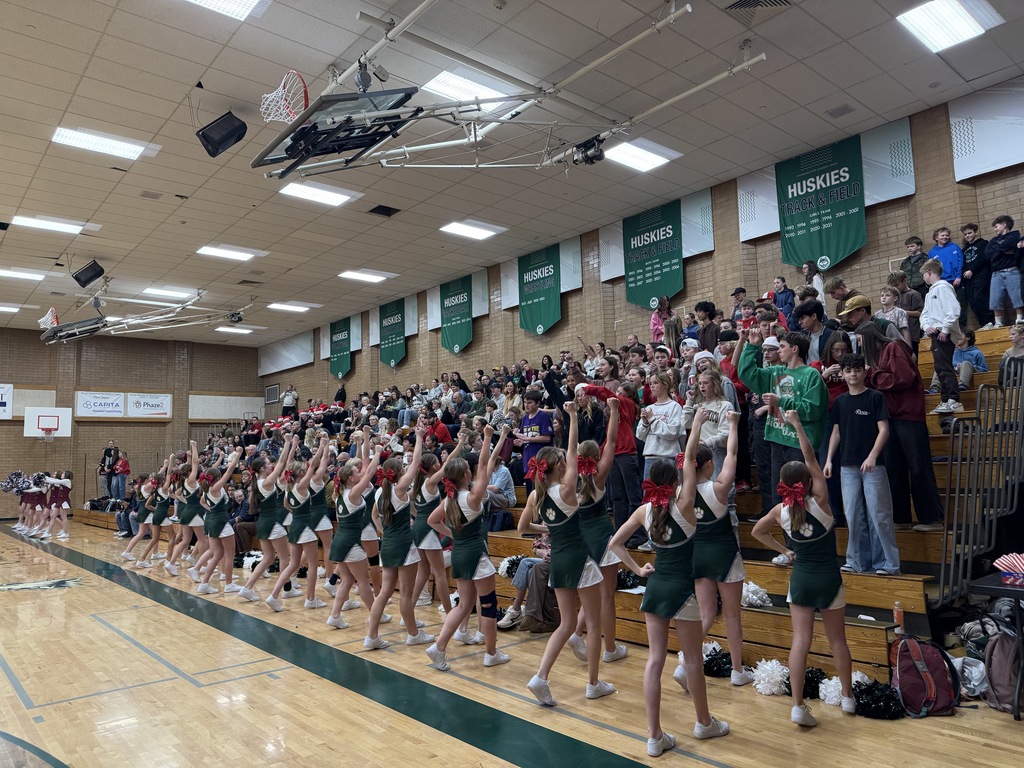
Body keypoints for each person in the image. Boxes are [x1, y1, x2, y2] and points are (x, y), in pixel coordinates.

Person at [609, 423, 731, 755]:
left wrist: (638, 568)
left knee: (654, 661)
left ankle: (654, 736)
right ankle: (705, 723)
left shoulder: (645, 511)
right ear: (676, 481)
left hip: (656, 589)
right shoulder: (686, 505)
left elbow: (615, 543)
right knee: (692, 660)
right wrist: (698, 426)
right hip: (681, 590)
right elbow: (690, 456)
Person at [752, 410, 856, 727]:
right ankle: (849, 698)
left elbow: (757, 531)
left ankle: (797, 706)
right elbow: (811, 457)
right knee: (838, 640)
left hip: (800, 581)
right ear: (808, 482)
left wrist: (785, 549)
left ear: (783, 485)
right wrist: (798, 425)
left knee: (800, 642)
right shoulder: (821, 500)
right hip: (829, 580)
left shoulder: (780, 511)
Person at [519, 406, 615, 706]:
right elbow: (573, 450)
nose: (566, 461)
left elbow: (523, 528)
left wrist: (546, 530)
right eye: (562, 461)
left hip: (558, 560)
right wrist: (573, 417)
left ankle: (541, 677)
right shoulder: (567, 489)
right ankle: (593, 683)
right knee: (594, 623)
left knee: (565, 624)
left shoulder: (537, 494)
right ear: (559, 466)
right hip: (580, 560)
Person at [424, 424, 512, 671]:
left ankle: (439, 647)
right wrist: (486, 438)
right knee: (488, 604)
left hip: (460, 553)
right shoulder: (471, 498)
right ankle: (491, 654)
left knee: (463, 605)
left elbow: (432, 521)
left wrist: (452, 533)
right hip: (475, 554)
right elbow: (483, 466)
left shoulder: (449, 499)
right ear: (465, 476)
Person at [856, 322, 944, 532]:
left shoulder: (894, 347)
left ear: (869, 337)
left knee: (918, 467)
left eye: (860, 341)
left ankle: (932, 519)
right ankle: (901, 518)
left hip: (908, 416)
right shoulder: (878, 356)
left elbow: (903, 378)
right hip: (890, 418)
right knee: (894, 469)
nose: (859, 346)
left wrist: (872, 374)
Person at [689, 409, 752, 685]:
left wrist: (696, 424)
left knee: (704, 616)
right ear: (708, 465)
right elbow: (733, 455)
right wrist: (732, 425)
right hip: (725, 556)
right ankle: (737, 671)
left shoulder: (682, 493)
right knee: (731, 615)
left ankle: (685, 665)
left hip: (698, 556)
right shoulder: (718, 488)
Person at [824, 354, 900, 576]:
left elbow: (884, 430)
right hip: (847, 466)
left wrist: (872, 456)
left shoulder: (875, 397)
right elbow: (836, 433)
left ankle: (888, 564)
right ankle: (857, 562)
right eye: (848, 371)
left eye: (856, 370)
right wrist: (829, 459)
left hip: (873, 467)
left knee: (879, 514)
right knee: (852, 514)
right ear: (843, 374)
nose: (852, 374)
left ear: (864, 372)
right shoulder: (840, 401)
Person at [737, 328, 829, 508]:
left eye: (782, 347)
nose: (778, 351)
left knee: (800, 494)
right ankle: (784, 532)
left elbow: (813, 409)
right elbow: (746, 375)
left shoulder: (811, 375)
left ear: (794, 349)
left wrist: (782, 401)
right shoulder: (775, 372)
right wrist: (751, 346)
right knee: (779, 493)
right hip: (777, 440)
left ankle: (802, 532)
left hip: (799, 444)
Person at [565, 398, 624, 665]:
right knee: (606, 597)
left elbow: (570, 445)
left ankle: (577, 632)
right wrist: (613, 411)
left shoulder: (569, 478)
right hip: (601, 538)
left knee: (590, 594)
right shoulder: (598, 476)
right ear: (596, 457)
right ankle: (610, 649)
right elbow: (611, 442)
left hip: (579, 541)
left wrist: (573, 417)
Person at [364, 426, 434, 650]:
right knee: (405, 593)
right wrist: (420, 438)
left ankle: (371, 636)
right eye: (402, 469)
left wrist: (382, 530)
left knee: (384, 592)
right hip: (403, 544)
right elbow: (416, 464)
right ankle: (413, 634)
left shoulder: (378, 491)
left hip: (388, 544)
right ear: (398, 473)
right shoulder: (399, 489)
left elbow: (374, 516)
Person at [323, 436, 383, 629]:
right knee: (363, 581)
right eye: (357, 472)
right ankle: (376, 615)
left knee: (347, 579)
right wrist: (379, 452)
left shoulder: (339, 495)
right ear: (351, 478)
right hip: (350, 543)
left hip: (340, 540)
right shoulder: (353, 493)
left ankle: (334, 616)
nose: (361, 474)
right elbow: (371, 472)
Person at [265, 437, 330, 609]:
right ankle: (310, 599)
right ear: (299, 473)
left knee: (293, 563)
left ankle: (274, 595)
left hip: (294, 526)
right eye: (303, 470)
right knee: (313, 564)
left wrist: (297, 513)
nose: (306, 471)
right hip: (305, 527)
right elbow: (315, 465)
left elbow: (287, 506)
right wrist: (323, 446)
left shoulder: (288, 490)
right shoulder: (301, 486)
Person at [195, 447, 245, 596]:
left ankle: (204, 584)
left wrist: (210, 509)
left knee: (217, 555)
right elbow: (229, 471)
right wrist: (238, 455)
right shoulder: (216, 487)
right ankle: (229, 584)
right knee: (229, 554)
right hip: (221, 523)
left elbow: (202, 501)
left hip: (211, 521)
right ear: (217, 478)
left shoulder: (206, 489)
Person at [920, 258, 964, 415]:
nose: (923, 278)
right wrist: (926, 326)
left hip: (943, 333)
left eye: (923, 274)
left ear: (929, 272)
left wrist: (945, 330)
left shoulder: (943, 287)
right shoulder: (930, 292)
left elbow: (953, 310)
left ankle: (954, 399)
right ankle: (945, 399)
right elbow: (924, 315)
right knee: (939, 367)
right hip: (935, 332)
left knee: (944, 367)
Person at [637, 371, 685, 480]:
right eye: (650, 384)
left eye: (655, 383)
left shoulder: (675, 407)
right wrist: (645, 422)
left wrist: (653, 420)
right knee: (650, 495)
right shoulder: (650, 408)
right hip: (650, 456)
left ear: (665, 384)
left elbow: (672, 433)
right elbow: (640, 436)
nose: (652, 386)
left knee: (669, 494)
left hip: (668, 456)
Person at [984, 215, 1024, 327]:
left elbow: (1008, 245)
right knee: (995, 298)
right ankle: (998, 323)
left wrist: (998, 251)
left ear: (1004, 225)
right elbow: (988, 253)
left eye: (996, 226)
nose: (995, 229)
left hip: (1012, 271)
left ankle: (1019, 319)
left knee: (1017, 296)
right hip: (996, 273)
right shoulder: (994, 240)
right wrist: (1002, 251)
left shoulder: (1014, 235)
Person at [928, 328, 987, 394]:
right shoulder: (953, 352)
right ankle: (934, 388)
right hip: (955, 372)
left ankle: (962, 385)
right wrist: (956, 368)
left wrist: (967, 366)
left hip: (970, 372)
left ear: (967, 337)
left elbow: (984, 370)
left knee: (965, 363)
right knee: (940, 365)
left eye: (960, 335)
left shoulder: (977, 352)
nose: (957, 337)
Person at [515, 390, 553, 492]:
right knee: (530, 495)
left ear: (538, 403)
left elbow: (547, 437)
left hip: (540, 461)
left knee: (540, 493)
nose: (526, 405)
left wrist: (527, 439)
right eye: (525, 402)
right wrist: (521, 441)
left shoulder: (543, 416)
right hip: (527, 460)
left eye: (530, 402)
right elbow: (525, 437)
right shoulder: (525, 418)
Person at [959, 223, 993, 329]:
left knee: (980, 297)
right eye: (965, 234)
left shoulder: (983, 243)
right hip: (969, 279)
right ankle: (983, 323)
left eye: (970, 233)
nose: (968, 236)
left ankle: (990, 321)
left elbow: (984, 259)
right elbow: (962, 263)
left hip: (981, 275)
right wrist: (965, 272)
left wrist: (972, 270)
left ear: (975, 232)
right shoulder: (964, 250)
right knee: (973, 301)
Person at [888, 270, 924, 357]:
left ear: (904, 281)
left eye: (897, 285)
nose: (895, 288)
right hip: (897, 336)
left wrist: (902, 312)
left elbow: (920, 313)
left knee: (912, 361)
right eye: (893, 286)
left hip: (912, 335)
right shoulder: (893, 296)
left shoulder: (914, 295)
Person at [791, 300, 832, 365]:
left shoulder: (830, 336)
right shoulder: (803, 336)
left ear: (814, 316)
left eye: (803, 318)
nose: (800, 322)